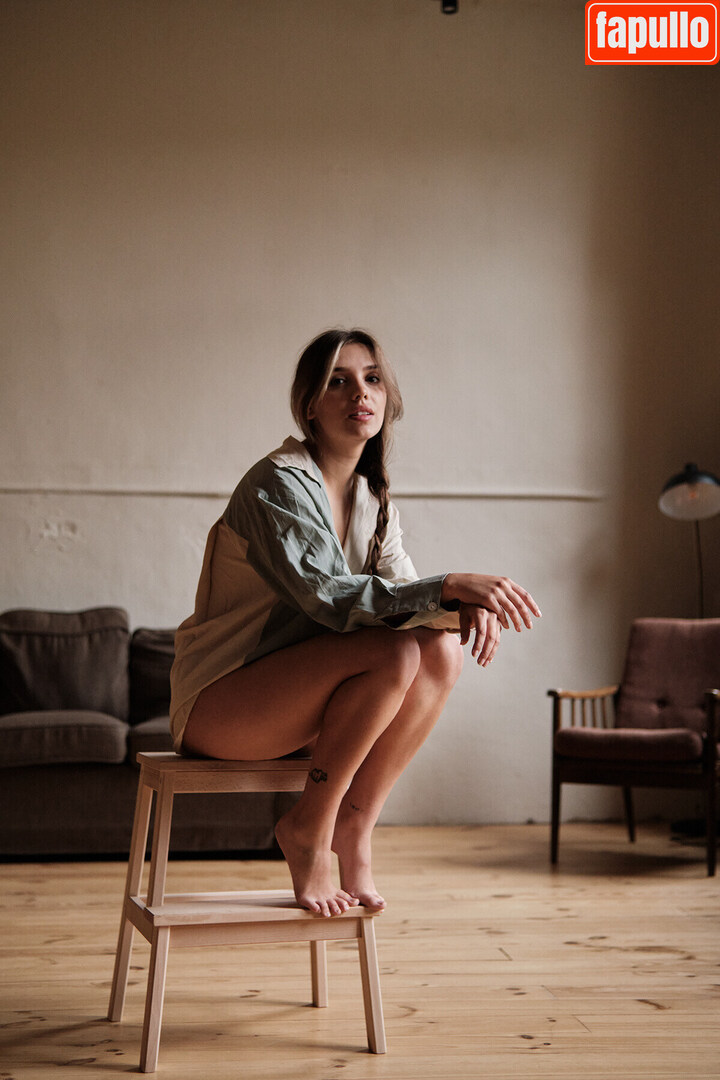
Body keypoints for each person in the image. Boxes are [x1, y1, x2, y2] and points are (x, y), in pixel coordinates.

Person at [169, 328, 540, 918]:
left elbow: (404, 601)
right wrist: (450, 587)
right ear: (309, 405)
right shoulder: (278, 483)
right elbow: (330, 598)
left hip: (294, 707)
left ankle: (354, 827)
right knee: (393, 652)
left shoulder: (374, 500)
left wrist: (454, 609)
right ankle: (309, 830)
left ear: (387, 398)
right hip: (217, 705)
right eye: (337, 381)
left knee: (439, 650)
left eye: (371, 379)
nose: (359, 393)